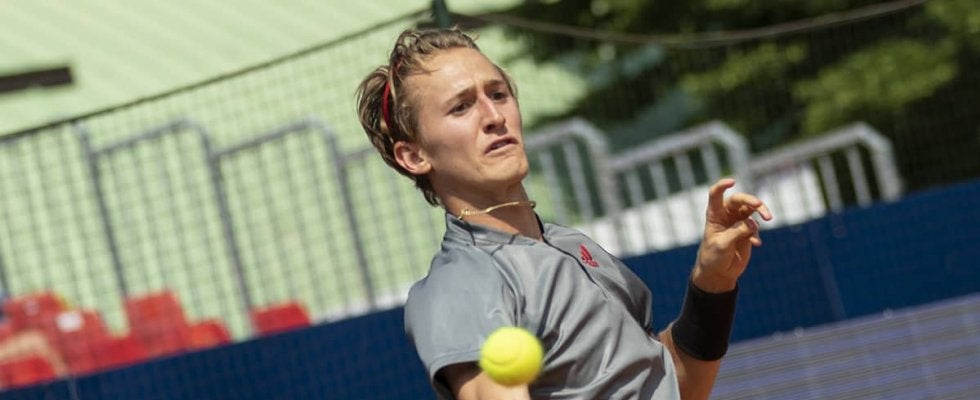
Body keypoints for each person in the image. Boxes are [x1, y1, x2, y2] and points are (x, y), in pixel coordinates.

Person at [356, 28, 772, 400]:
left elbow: (673, 386)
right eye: (461, 107)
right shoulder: (459, 285)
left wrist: (712, 282)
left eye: (497, 94)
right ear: (414, 156)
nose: (494, 117)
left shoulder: (570, 244)